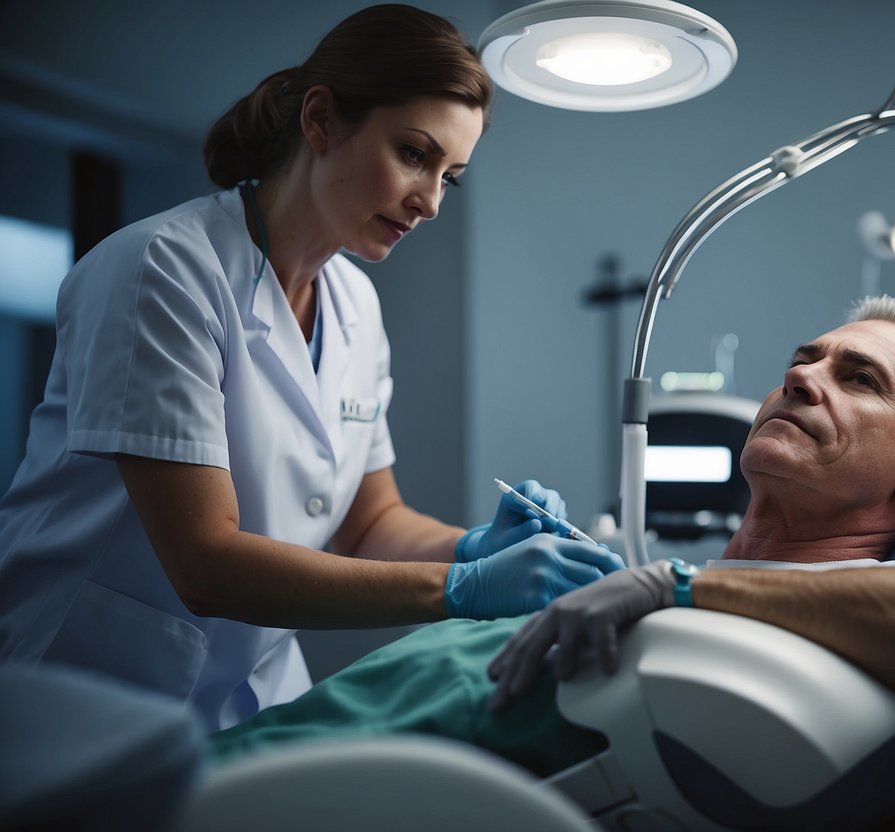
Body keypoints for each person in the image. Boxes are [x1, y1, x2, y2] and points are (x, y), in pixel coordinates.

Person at [0, 4, 622, 734]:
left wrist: (474, 545)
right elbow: (205, 564)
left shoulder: (353, 302)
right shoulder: (163, 269)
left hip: (254, 693)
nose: (428, 202)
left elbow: (369, 523)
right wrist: (462, 587)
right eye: (414, 154)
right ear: (321, 120)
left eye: (450, 177)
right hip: (89, 690)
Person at [207, 296, 895, 776]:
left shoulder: (828, 610)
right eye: (805, 361)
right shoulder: (727, 598)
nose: (802, 376)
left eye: (857, 378)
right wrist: (470, 556)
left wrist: (674, 585)